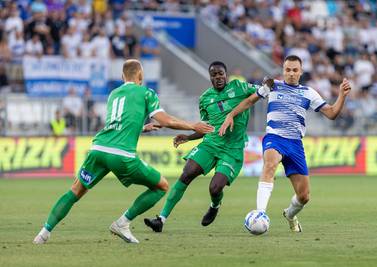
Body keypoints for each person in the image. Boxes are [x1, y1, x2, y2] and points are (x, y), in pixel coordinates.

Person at [33, 59, 214, 244]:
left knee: (75, 191)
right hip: (121, 155)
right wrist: (193, 125)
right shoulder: (146, 93)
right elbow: (166, 120)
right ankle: (123, 223)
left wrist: (142, 128)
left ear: (122, 76)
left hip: (98, 150)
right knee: (162, 186)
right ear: (141, 75)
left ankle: (43, 233)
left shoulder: (114, 94)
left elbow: (116, 124)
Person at [219, 55, 351, 232]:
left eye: (295, 70)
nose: (291, 73)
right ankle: (260, 213)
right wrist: (230, 115)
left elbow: (332, 113)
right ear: (283, 70)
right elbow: (250, 101)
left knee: (304, 196)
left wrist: (342, 95)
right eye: (288, 69)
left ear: (301, 72)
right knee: (270, 164)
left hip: (295, 144)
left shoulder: (309, 93)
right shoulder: (273, 86)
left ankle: (289, 214)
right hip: (275, 137)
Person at [144, 61, 259, 232]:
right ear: (210, 77)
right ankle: (161, 219)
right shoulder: (205, 99)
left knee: (215, 187)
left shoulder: (240, 87)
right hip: (210, 144)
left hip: (232, 149)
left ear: (226, 75)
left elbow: (260, 92)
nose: (218, 77)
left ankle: (214, 205)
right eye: (214, 75)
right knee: (187, 173)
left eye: (221, 74)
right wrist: (189, 137)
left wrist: (268, 85)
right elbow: (206, 127)